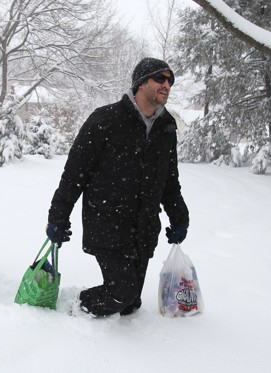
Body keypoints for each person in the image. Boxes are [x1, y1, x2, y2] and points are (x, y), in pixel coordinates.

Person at [46, 57, 190, 317]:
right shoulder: (105, 119)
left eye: (170, 80)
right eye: (160, 78)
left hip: (144, 228)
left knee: (131, 302)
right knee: (120, 294)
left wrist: (179, 218)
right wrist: (58, 217)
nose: (167, 84)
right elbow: (73, 175)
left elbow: (169, 180)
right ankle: (77, 305)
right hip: (107, 224)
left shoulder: (166, 127)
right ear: (141, 82)